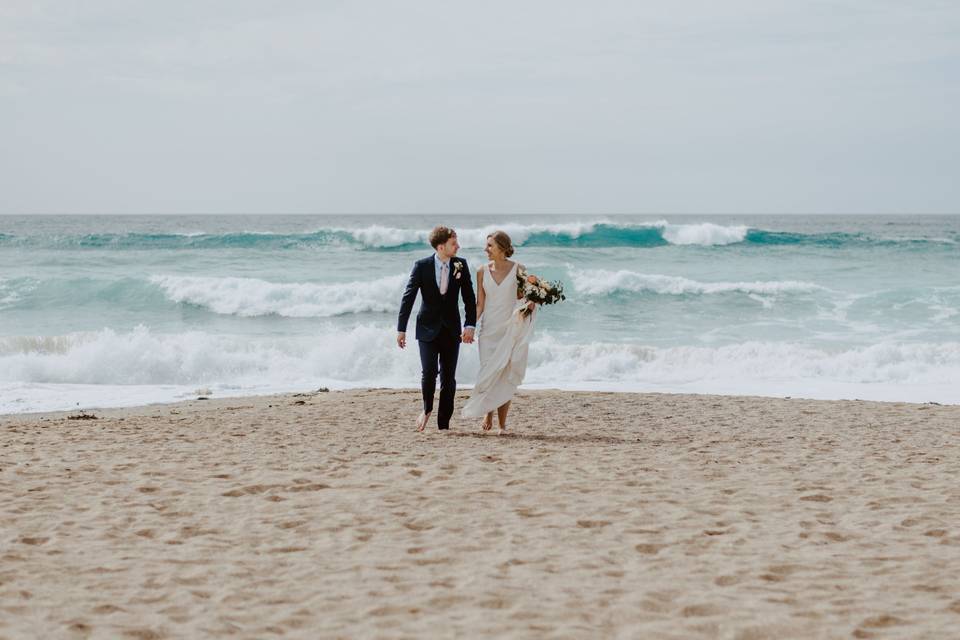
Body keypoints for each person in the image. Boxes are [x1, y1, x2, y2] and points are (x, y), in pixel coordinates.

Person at [397, 226, 477, 432]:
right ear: (441, 247)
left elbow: (469, 298)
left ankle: (444, 424)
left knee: (448, 378)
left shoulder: (461, 264)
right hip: (426, 328)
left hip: (452, 329)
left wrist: (470, 325)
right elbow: (408, 297)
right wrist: (401, 329)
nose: (458, 246)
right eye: (454, 243)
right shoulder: (421, 266)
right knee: (429, 372)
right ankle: (427, 409)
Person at [462, 231, 536, 435]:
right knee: (488, 373)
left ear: (502, 248)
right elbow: (480, 305)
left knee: (505, 377)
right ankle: (488, 413)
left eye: (490, 246)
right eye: (486, 246)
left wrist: (531, 302)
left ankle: (502, 424)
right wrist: (469, 326)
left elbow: (523, 297)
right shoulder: (481, 271)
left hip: (510, 330)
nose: (486, 249)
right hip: (488, 332)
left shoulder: (518, 269)